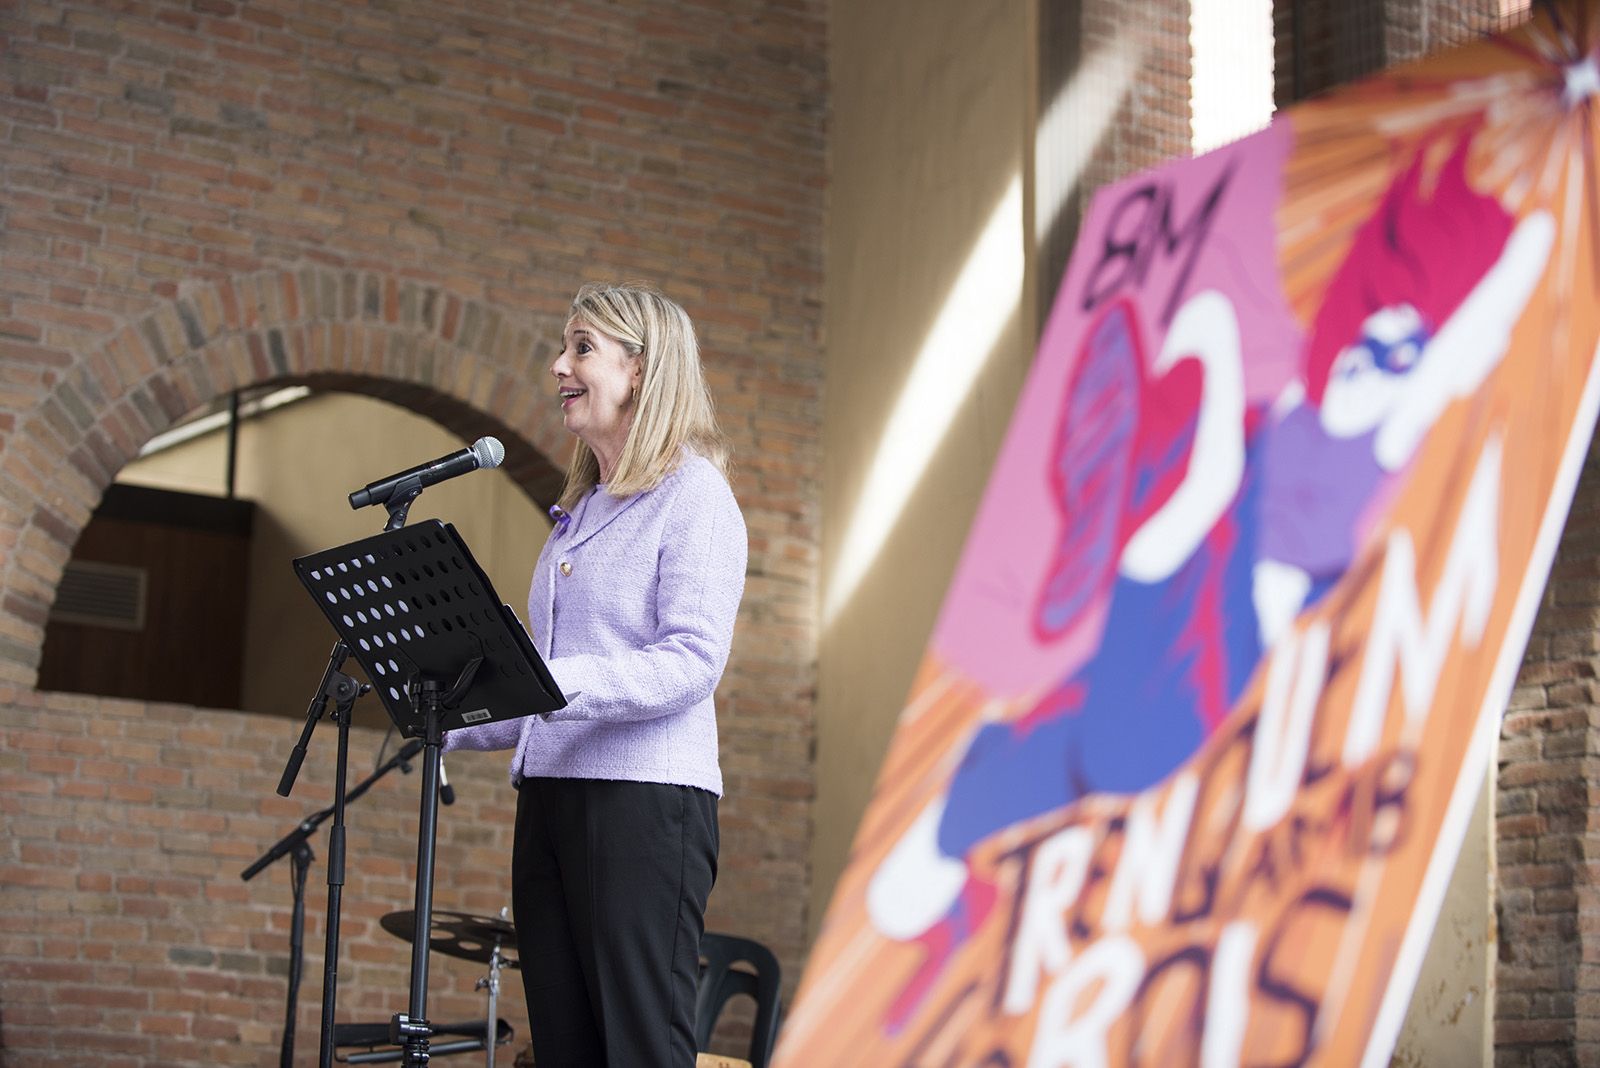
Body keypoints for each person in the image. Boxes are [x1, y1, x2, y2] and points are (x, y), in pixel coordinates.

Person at [444, 282, 747, 1067]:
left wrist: (554, 678)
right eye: (564, 347)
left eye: (581, 347)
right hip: (549, 801)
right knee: (565, 1050)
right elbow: (545, 690)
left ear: (641, 369)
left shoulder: (694, 497)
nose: (558, 366)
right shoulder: (581, 512)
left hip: (642, 807)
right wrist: (450, 719)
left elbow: (689, 662)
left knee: (639, 1049)